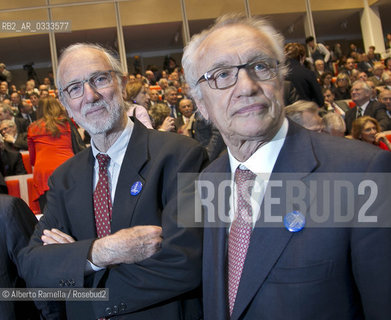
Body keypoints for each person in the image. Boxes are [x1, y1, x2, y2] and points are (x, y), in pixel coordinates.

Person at [182, 13, 391, 319]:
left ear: (281, 80)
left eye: (260, 66)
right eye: (222, 75)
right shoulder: (209, 180)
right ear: (201, 104)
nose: (247, 86)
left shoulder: (362, 172)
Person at [20, 43, 206, 319]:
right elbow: (33, 267)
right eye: (74, 88)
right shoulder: (64, 178)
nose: (90, 96)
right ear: (65, 105)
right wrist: (102, 252)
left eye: (99, 79)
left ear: (121, 83)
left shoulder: (182, 154)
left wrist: (75, 265)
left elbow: (186, 261)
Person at [27, 97, 75, 211]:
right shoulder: (67, 123)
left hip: (43, 173)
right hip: (68, 168)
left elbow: (32, 159)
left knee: (49, 213)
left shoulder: (33, 128)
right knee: (72, 210)